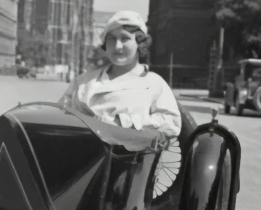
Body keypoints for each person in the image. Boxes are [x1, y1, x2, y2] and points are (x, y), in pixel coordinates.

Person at [58, 10, 180, 143]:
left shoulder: (153, 83)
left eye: (125, 38)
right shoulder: (83, 81)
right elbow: (59, 115)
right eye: (111, 39)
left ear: (141, 43)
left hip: (128, 159)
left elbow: (172, 124)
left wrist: (124, 121)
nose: (117, 46)